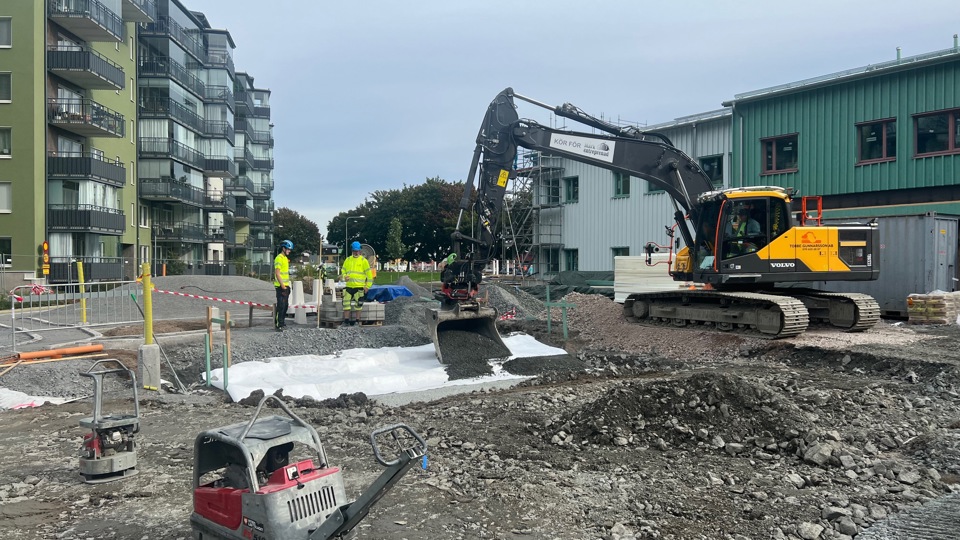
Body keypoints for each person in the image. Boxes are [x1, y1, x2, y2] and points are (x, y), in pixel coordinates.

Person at [340, 241, 373, 326]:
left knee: (359, 305)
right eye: (354, 251)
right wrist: (344, 276)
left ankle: (357, 321)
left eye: (357, 251)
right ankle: (346, 321)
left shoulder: (363, 261)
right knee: (346, 304)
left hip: (359, 287)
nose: (356, 252)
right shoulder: (348, 260)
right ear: (352, 250)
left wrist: (367, 286)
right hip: (349, 286)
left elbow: (369, 276)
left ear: (360, 251)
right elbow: (343, 270)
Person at [273, 240, 293, 331]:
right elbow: (277, 273)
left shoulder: (285, 258)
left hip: (285, 286)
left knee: (285, 305)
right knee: (281, 305)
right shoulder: (279, 258)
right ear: (283, 248)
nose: (290, 251)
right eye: (288, 249)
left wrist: (287, 286)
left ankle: (282, 322)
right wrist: (283, 287)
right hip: (281, 287)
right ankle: (278, 324)